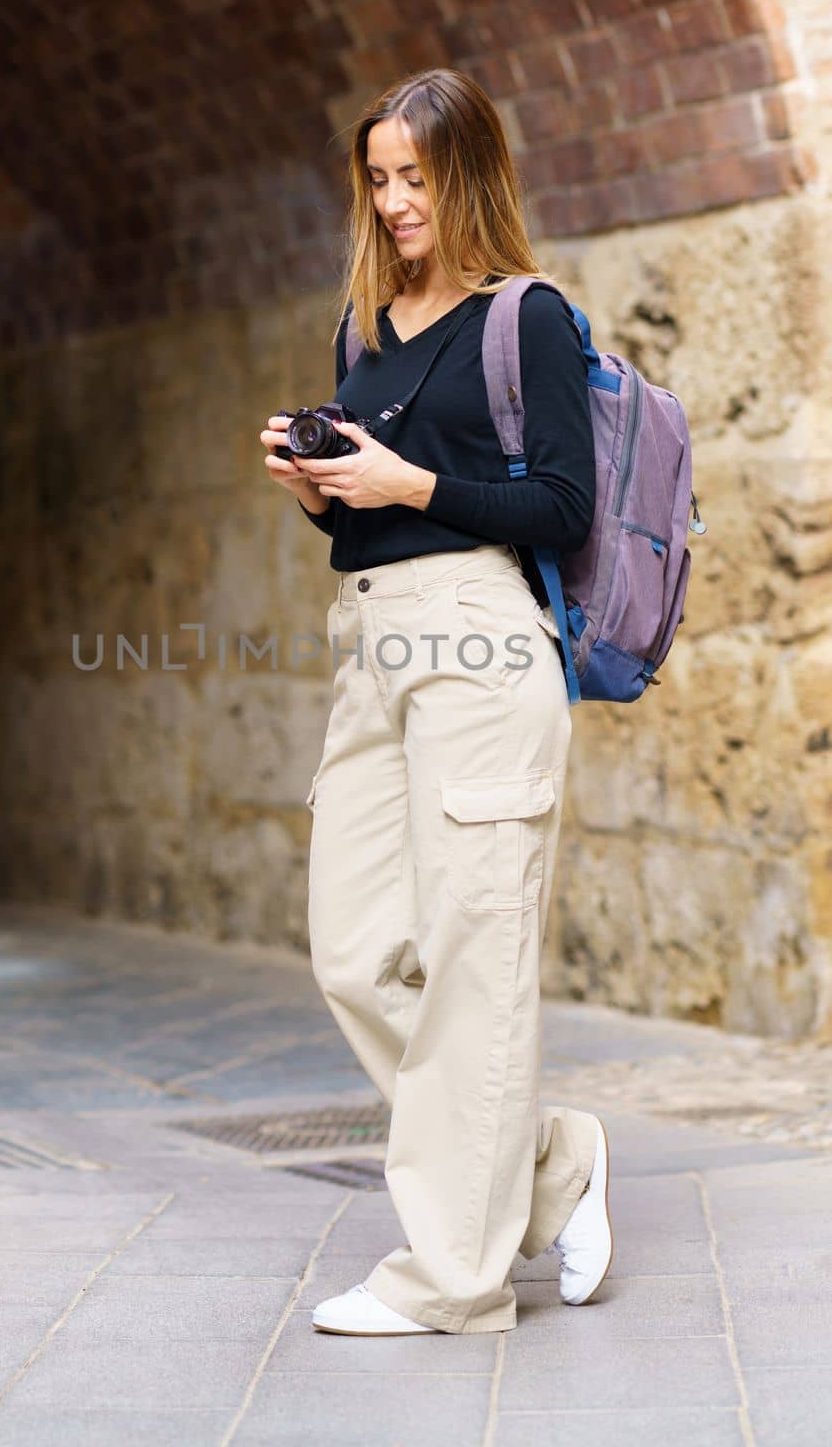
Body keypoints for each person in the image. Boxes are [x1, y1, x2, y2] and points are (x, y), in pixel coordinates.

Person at [259, 68, 613, 1336]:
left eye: (415, 176)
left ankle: (453, 1282)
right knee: (354, 951)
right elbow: (365, 524)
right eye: (377, 177)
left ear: (467, 173)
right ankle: (551, 1163)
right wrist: (320, 490)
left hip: (481, 645)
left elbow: (561, 510)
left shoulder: (526, 319)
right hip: (373, 649)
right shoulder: (362, 329)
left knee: (473, 961)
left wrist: (409, 485)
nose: (395, 201)